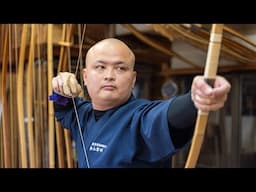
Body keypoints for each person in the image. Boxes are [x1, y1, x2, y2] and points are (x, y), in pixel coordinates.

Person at [50, 38, 231, 168]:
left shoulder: (140, 117)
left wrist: (195, 98)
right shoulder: (83, 114)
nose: (109, 75)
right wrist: (58, 89)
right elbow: (63, 109)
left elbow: (167, 116)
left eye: (121, 68)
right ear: (85, 77)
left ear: (133, 79)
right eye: (100, 67)